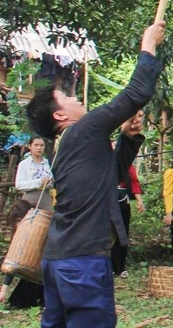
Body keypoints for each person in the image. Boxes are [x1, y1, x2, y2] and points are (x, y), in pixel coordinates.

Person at [25, 22, 164, 328]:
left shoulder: (65, 147)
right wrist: (148, 44)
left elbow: (109, 173)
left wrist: (127, 137)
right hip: (82, 261)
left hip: (59, 259)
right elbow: (136, 93)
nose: (76, 99)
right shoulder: (82, 131)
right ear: (60, 116)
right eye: (68, 98)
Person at [111, 116, 146, 278]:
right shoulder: (103, 163)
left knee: (122, 233)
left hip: (122, 201)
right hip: (106, 202)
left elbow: (134, 182)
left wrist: (139, 200)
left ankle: (120, 266)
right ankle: (107, 266)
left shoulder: (127, 165)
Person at [0, 200, 44, 309]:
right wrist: (4, 289)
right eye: (15, 221)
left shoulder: (41, 228)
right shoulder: (19, 233)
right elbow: (13, 261)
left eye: (20, 220)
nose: (18, 224)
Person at [14, 135, 53, 211]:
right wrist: (39, 182)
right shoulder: (24, 164)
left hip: (46, 198)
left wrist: (50, 182)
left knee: (47, 221)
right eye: (36, 145)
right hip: (29, 199)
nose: (39, 148)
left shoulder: (48, 163)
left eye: (41, 145)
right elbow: (19, 185)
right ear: (30, 146)